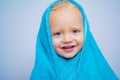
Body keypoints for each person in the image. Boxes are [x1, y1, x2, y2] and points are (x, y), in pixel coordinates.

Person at [30, 0, 118, 80]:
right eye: (58, 33)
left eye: (75, 31)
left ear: (86, 33)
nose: (67, 39)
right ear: (46, 39)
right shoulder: (43, 70)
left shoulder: (97, 66)